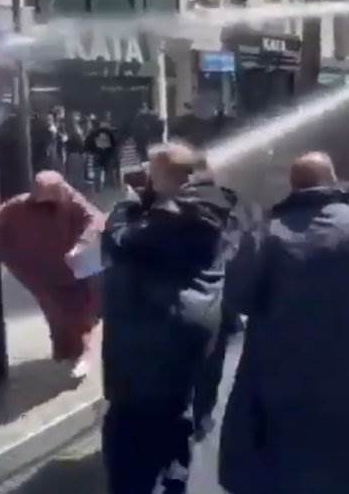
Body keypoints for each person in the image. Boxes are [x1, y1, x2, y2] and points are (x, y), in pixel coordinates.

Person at [219, 152, 349, 494]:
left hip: (280, 366)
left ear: (292, 186)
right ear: (333, 178)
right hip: (348, 364)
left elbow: (238, 296)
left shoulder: (265, 232)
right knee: (345, 452)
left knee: (279, 459)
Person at [102, 143, 244, 494]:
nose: (148, 177)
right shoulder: (208, 205)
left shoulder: (176, 211)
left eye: (153, 170)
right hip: (185, 332)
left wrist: (127, 205)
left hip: (155, 336)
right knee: (173, 417)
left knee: (128, 434)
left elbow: (120, 241)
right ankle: (174, 478)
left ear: (171, 176)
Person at [0, 171, 104, 379]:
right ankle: (63, 351)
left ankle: (85, 355)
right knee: (53, 309)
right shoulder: (22, 203)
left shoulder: (74, 201)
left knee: (82, 312)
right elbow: (0, 213)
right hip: (43, 269)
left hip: (73, 266)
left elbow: (94, 220)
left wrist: (80, 247)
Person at [85, 116, 119, 192]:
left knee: (103, 173)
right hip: (101, 154)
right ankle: (105, 190)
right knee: (103, 173)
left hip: (102, 154)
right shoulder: (100, 132)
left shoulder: (96, 132)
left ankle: (104, 190)